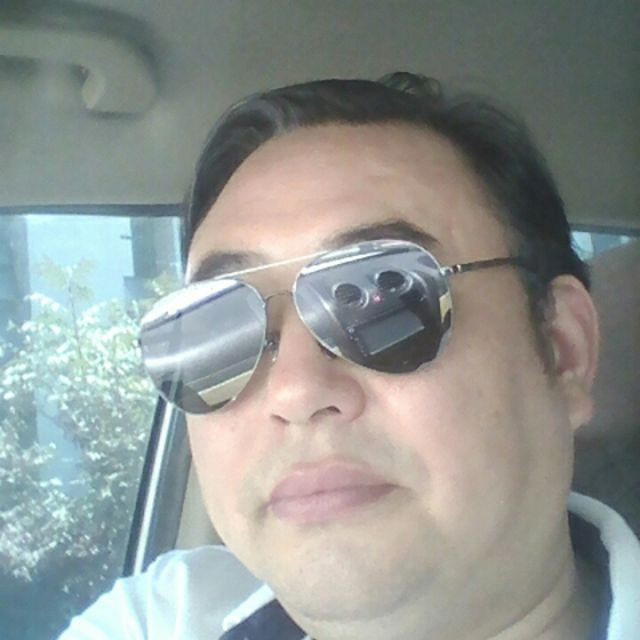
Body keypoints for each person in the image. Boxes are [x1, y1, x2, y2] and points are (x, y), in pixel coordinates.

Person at [60, 73, 640, 639]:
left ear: (563, 349)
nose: (293, 390)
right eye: (217, 330)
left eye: (387, 299)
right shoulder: (165, 616)